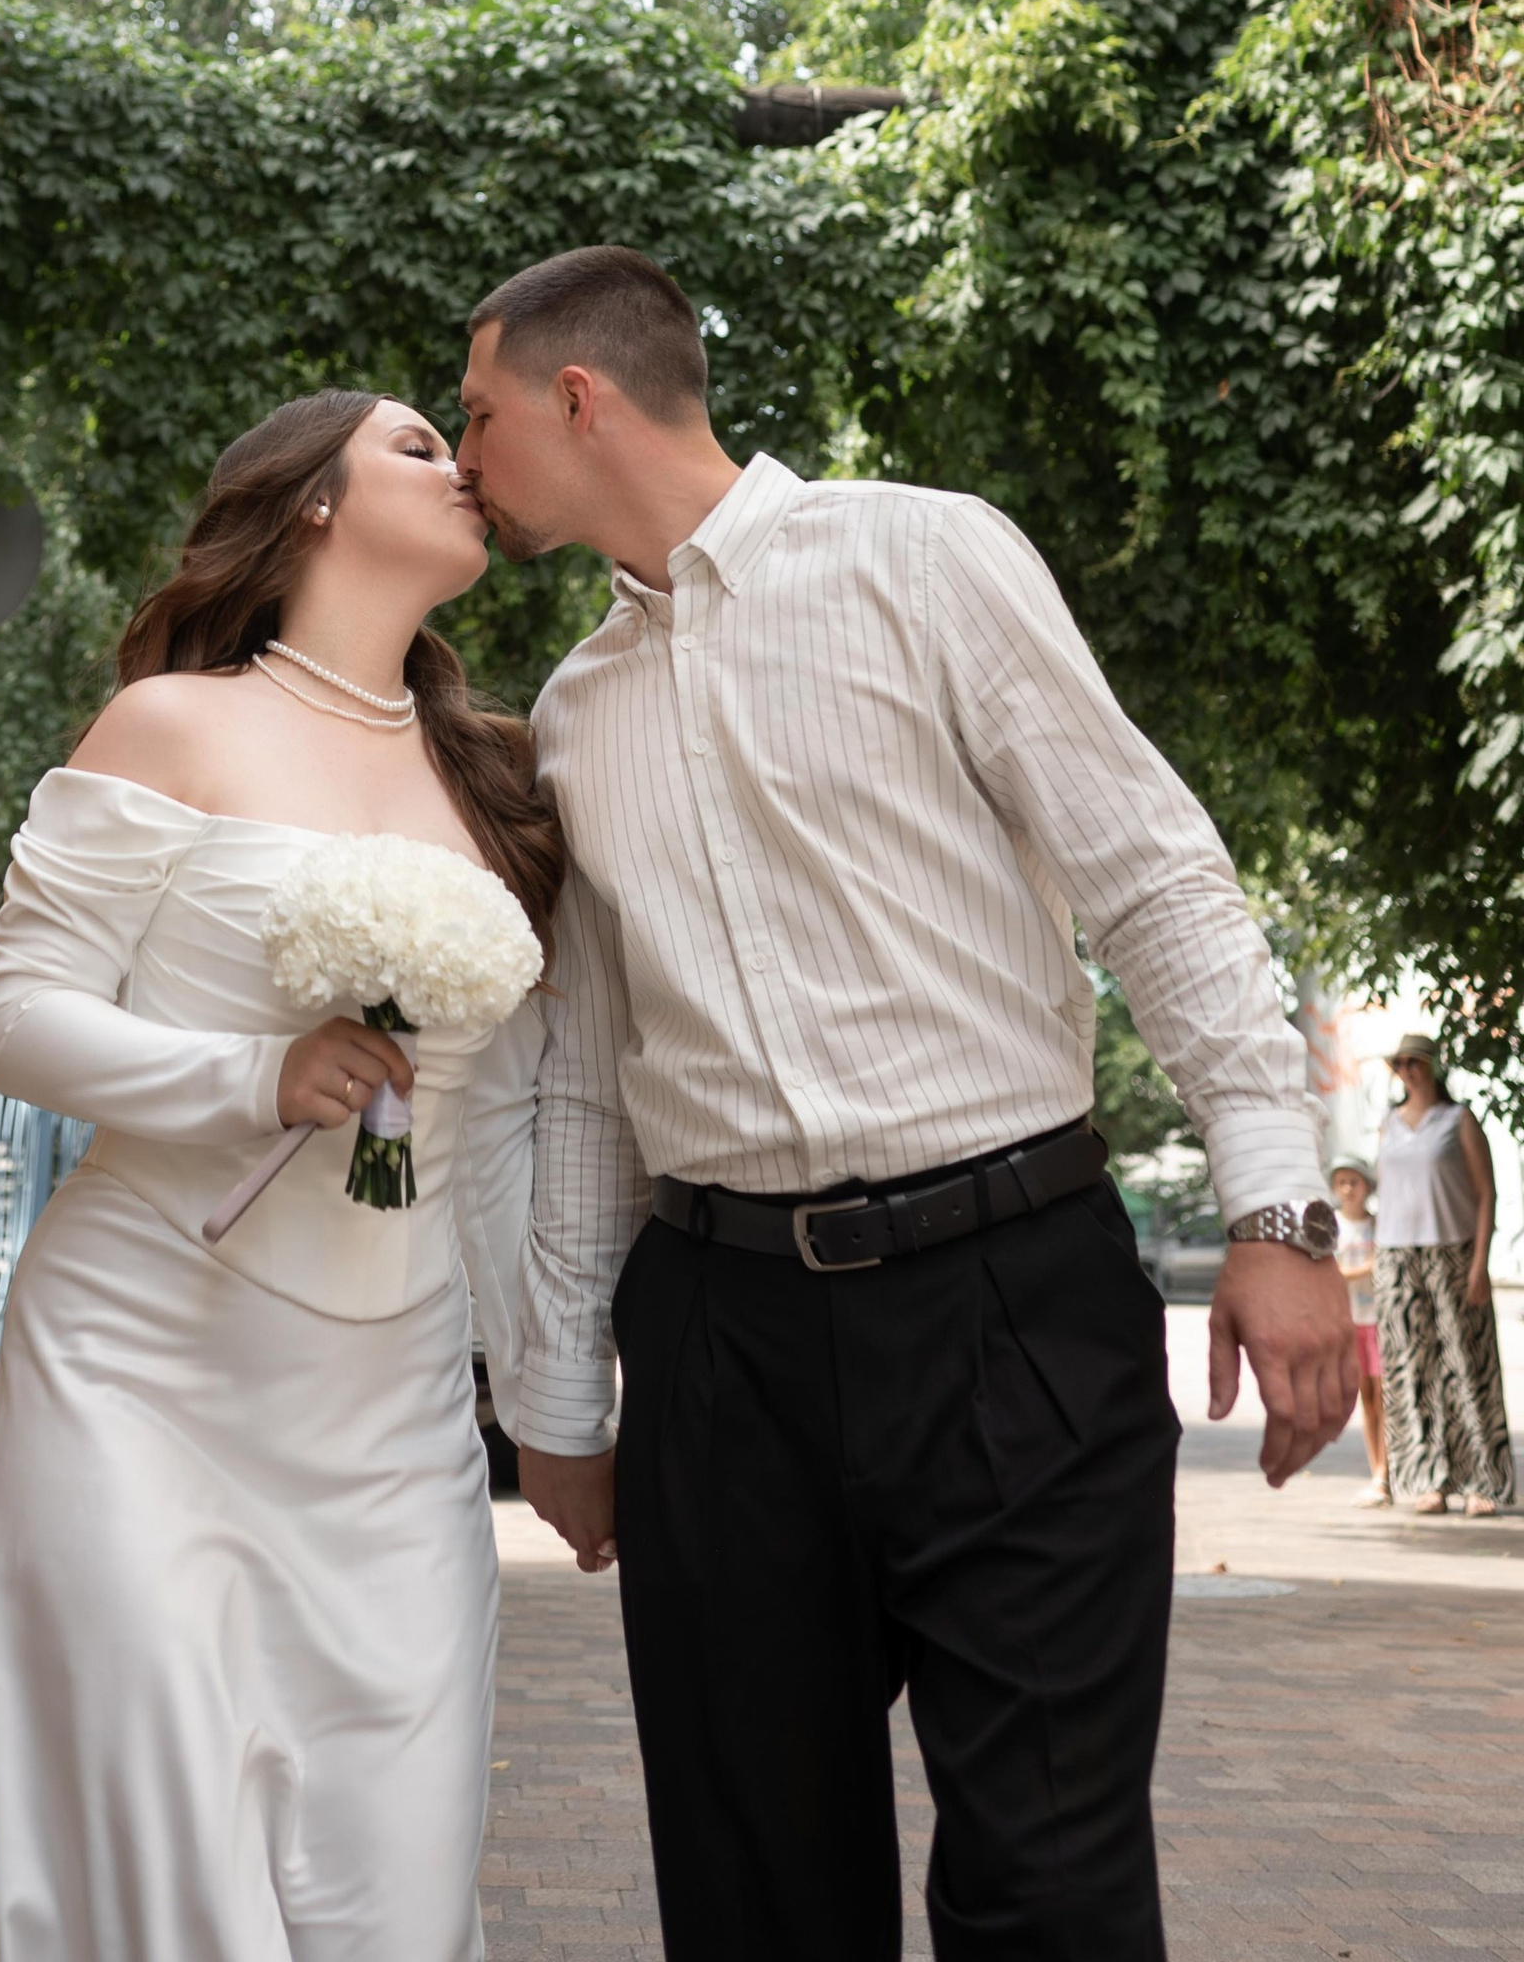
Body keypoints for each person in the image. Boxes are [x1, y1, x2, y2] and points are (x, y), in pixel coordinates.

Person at [452, 243, 1358, 1962]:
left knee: (1049, 1889)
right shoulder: (573, 715)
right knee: (756, 1898)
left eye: (480, 412)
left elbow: (1158, 878)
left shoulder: (923, 556)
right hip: (721, 1348)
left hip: (1014, 1304)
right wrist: (560, 1398)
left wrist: (1279, 1214)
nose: (466, 452)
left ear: (580, 396)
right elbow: (585, 1088)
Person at [0, 390, 559, 1962]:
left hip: (395, 1409)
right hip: (144, 1366)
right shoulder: (176, 726)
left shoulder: (500, 783)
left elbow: (502, 1123)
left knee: (397, 1888)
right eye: (421, 445)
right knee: (165, 1868)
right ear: (308, 500)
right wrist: (254, 1076)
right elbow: (18, 1023)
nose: (468, 468)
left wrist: (551, 1388)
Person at [1373, 1032, 1512, 1517]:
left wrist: (1480, 1262)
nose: (1407, 1070)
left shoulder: (1458, 1120)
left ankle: (1483, 1482)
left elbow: (1485, 1194)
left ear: (1432, 1066)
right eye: (1400, 1063)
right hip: (1396, 1257)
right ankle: (1428, 1479)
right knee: (1413, 1372)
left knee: (1467, 1366)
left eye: (1415, 1062)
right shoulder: (1388, 1124)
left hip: (1452, 1254)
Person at [1329, 1156, 1388, 1500]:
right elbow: (1329, 1273)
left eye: (1355, 1181)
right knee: (1367, 1400)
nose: (1349, 1189)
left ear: (1367, 1186)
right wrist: (1366, 1266)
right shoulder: (1332, 1226)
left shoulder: (1379, 1225)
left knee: (1385, 1398)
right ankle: (1377, 1472)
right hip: (1351, 1322)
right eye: (1342, 1182)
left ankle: (1385, 1471)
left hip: (1379, 1320)